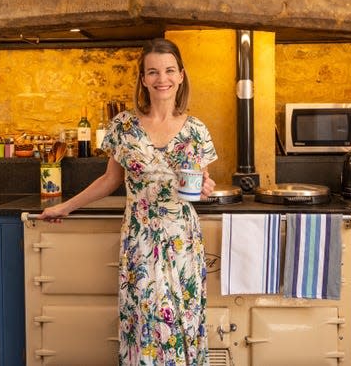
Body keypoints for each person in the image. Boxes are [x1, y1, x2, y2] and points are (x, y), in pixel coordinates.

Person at [37, 38, 217, 365]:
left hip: (182, 242)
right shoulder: (123, 126)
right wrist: (64, 206)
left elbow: (201, 183)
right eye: (153, 72)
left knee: (182, 323)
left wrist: (206, 188)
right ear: (143, 79)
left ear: (180, 76)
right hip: (140, 238)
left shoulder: (198, 131)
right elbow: (110, 180)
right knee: (144, 324)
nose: (161, 78)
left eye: (168, 70)